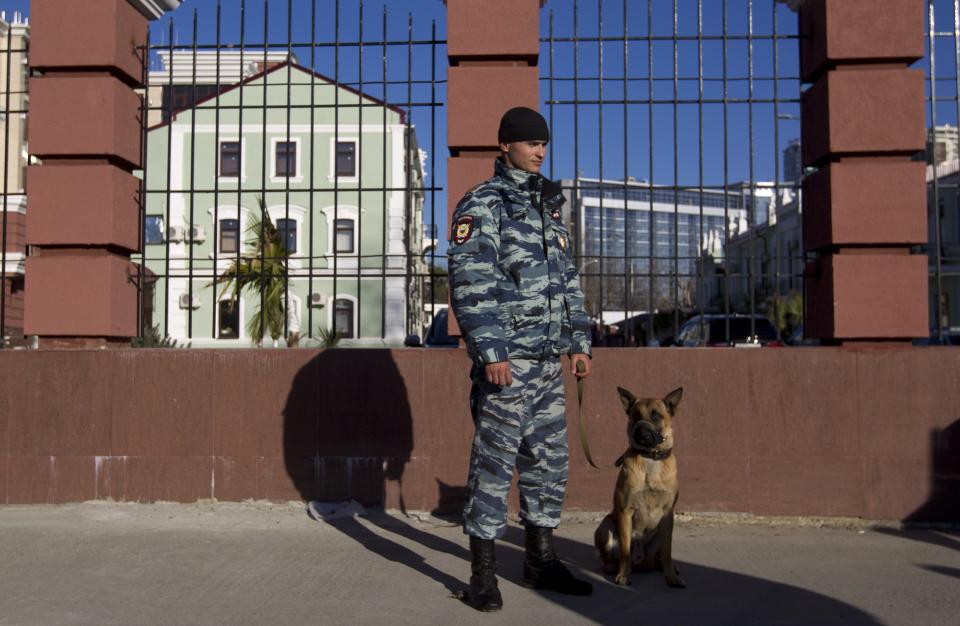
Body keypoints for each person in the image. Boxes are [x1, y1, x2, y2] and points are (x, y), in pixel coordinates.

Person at [448, 106, 594, 612]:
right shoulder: (483, 204)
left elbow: (566, 278)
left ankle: (540, 560)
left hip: (550, 360)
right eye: (531, 143)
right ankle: (483, 574)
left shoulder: (546, 206)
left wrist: (579, 341)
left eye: (544, 144)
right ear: (505, 145)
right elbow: (471, 283)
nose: (540, 151)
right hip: (507, 363)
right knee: (494, 463)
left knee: (548, 463)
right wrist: (491, 351)